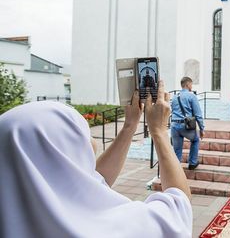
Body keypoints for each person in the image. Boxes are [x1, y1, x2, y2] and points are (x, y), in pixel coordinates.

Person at [0, 81, 193, 237]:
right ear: (59, 154)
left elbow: (88, 184)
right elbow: (179, 208)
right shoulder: (122, 227)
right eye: (81, 133)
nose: (91, 141)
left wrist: (129, 126)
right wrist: (158, 131)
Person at [171, 77, 205, 170]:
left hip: (174, 125)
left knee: (177, 149)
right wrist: (202, 129)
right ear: (187, 85)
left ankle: (176, 170)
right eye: (191, 84)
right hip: (186, 126)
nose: (191, 86)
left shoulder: (174, 97)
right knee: (195, 140)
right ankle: (192, 163)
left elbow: (172, 111)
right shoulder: (191, 96)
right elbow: (198, 114)